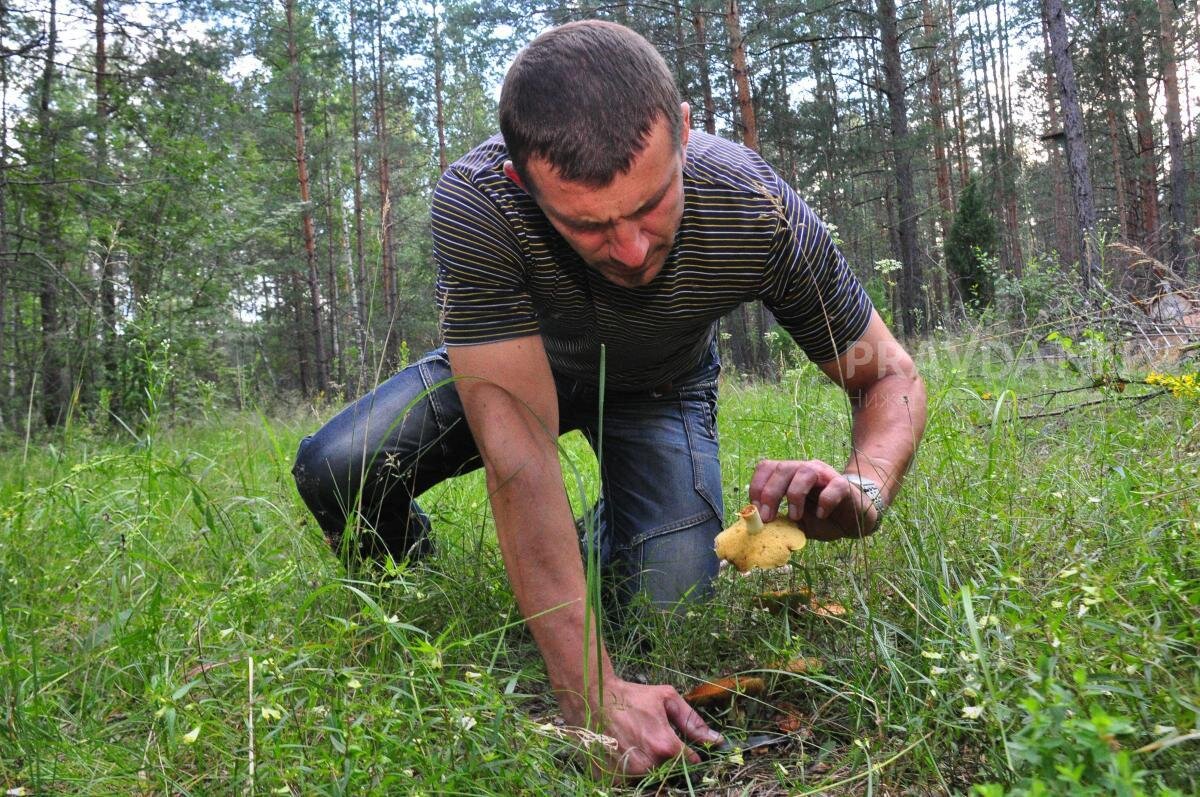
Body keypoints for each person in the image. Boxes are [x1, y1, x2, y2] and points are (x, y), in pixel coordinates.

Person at [292, 19, 927, 776]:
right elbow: (520, 459)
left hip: (660, 387)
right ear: (523, 184)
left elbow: (887, 375)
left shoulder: (757, 210)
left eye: (653, 203)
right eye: (589, 225)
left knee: (667, 600)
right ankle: (420, 590)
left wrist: (867, 485)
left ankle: (606, 541)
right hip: (515, 369)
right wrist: (588, 691)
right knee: (339, 467)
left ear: (685, 133)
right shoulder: (479, 206)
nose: (630, 250)